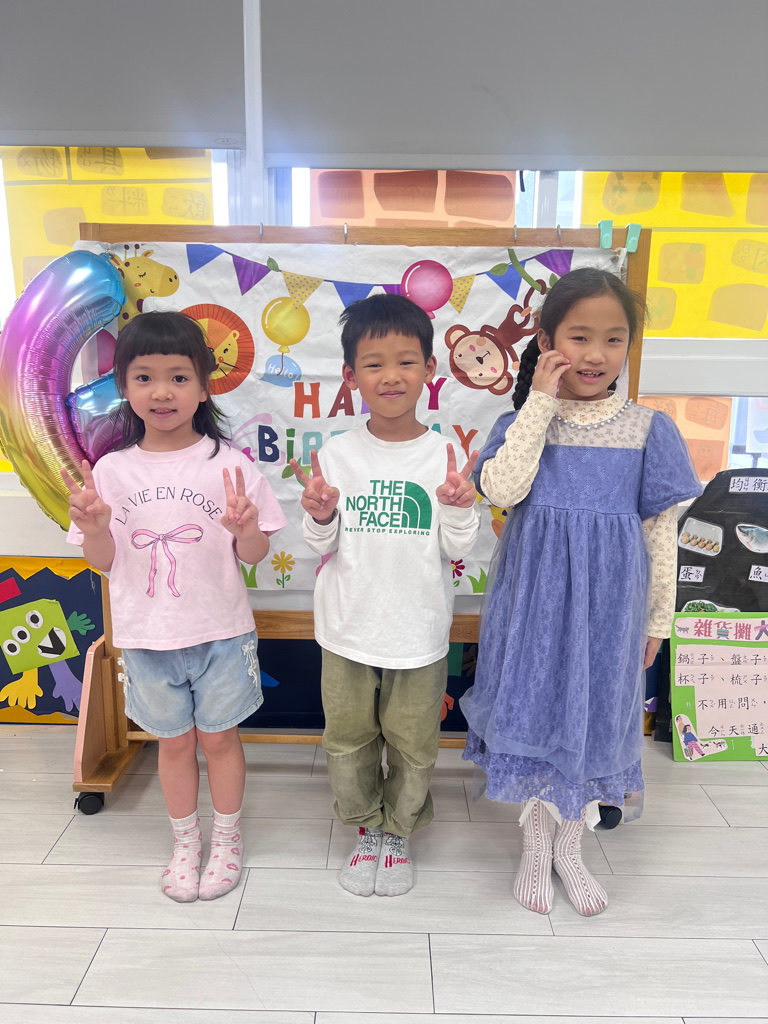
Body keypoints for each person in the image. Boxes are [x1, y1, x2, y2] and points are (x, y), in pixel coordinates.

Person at [460, 268, 701, 916]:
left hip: (611, 608)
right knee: (538, 715)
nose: (596, 355)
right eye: (580, 337)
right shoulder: (521, 422)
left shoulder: (649, 429)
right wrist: (539, 403)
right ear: (546, 342)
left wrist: (658, 620)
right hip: (534, 606)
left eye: (614, 339)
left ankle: (572, 847)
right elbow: (502, 489)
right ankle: (537, 846)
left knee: (594, 720)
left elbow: (661, 534)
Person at [63, 311, 286, 903]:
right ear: (123, 385)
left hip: (221, 633)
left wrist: (246, 530)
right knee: (175, 743)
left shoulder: (229, 464)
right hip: (146, 638)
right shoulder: (112, 471)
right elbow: (104, 562)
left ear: (204, 386)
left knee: (220, 741)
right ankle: (186, 843)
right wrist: (95, 530)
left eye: (179, 377)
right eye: (145, 377)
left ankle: (228, 839)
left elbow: (255, 554)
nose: (162, 392)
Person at [291, 293, 480, 897]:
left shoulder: (443, 454)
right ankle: (365, 828)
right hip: (347, 627)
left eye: (406, 361)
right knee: (347, 742)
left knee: (414, 745)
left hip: (418, 630)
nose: (391, 376)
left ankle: (398, 832)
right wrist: (320, 514)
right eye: (374, 364)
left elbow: (458, 548)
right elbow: (320, 543)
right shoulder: (338, 453)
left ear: (430, 370)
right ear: (351, 376)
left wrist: (459, 508)